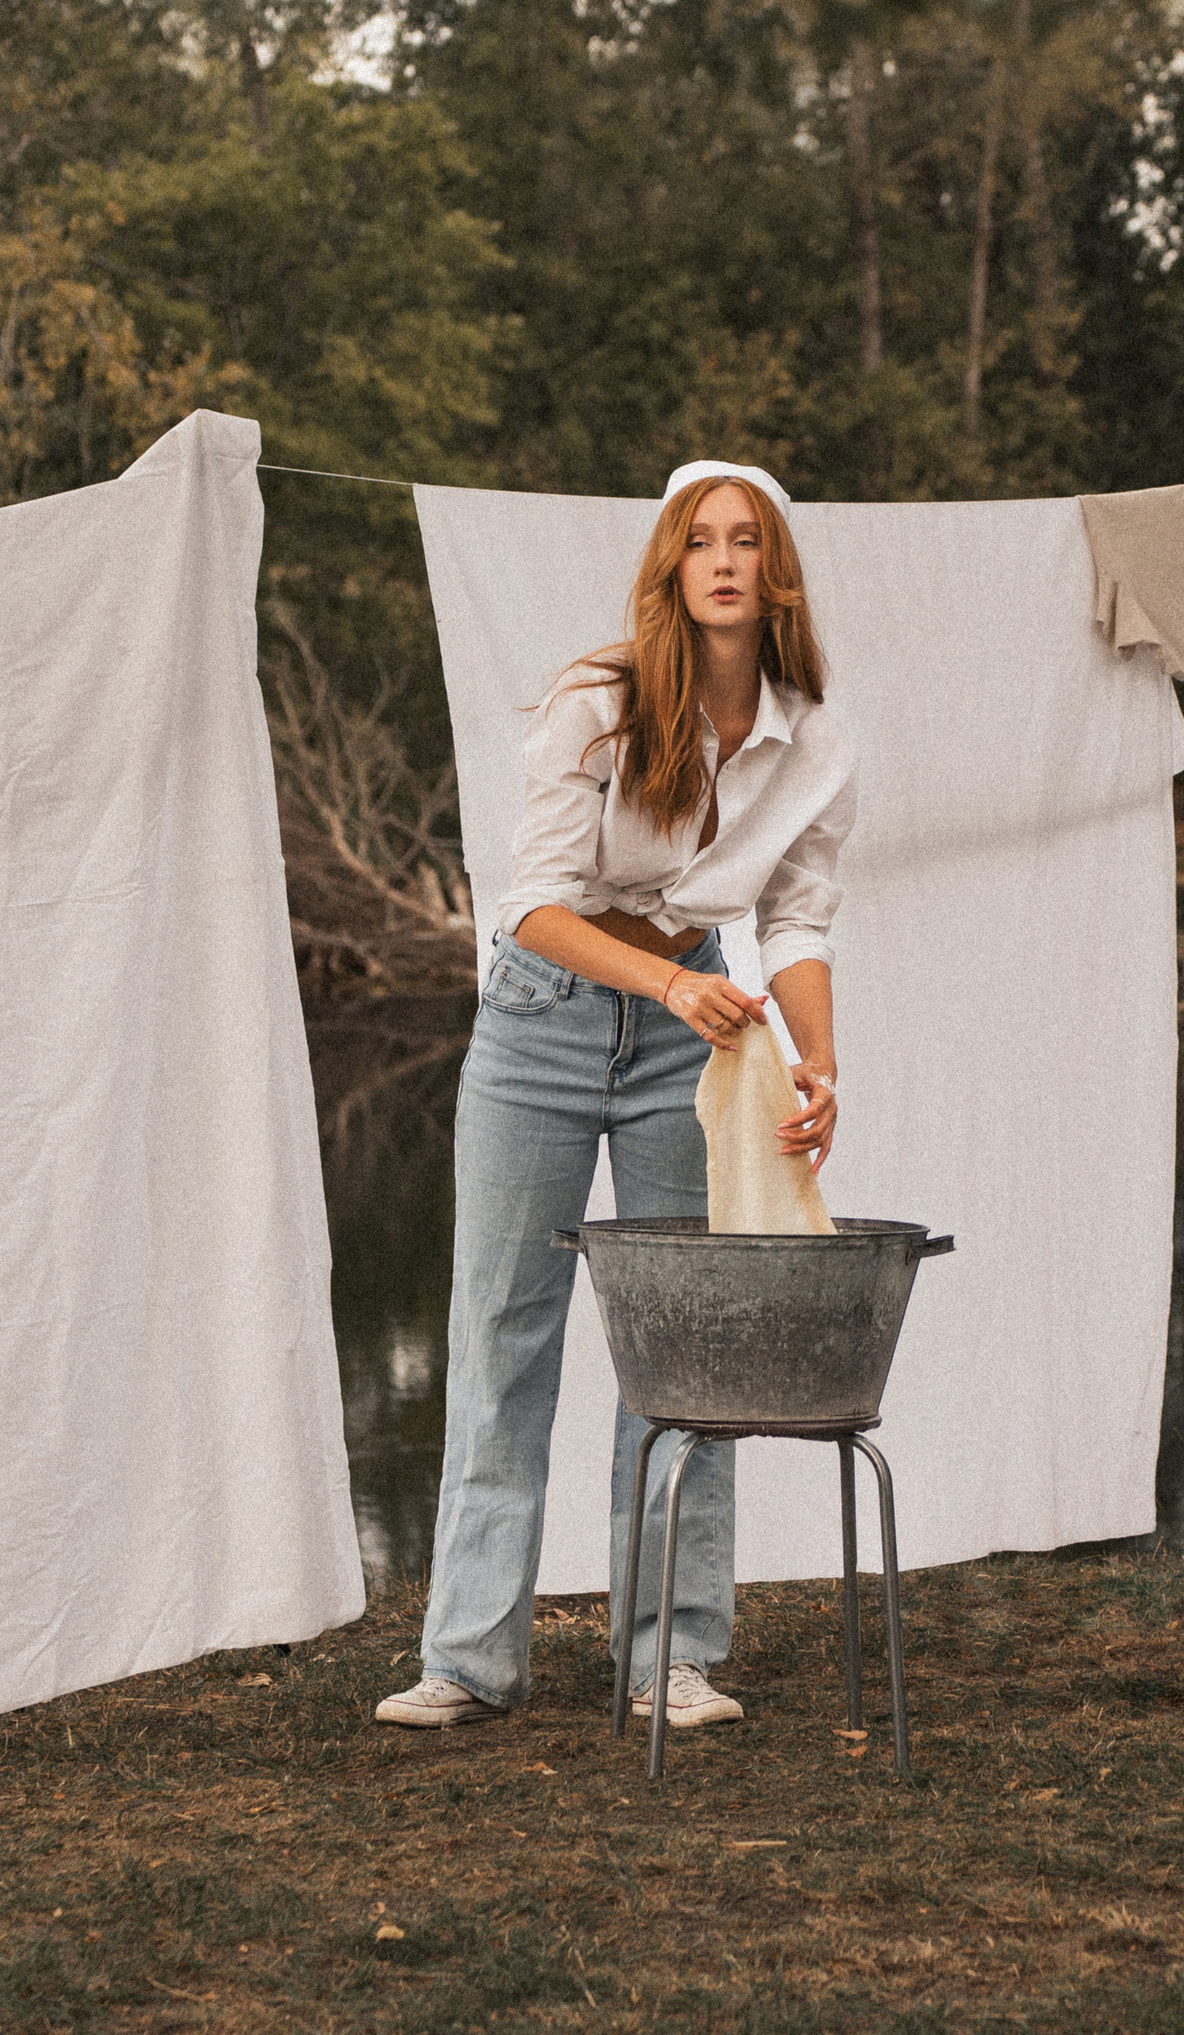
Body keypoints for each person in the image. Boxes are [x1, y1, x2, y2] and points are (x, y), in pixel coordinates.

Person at [376, 459, 853, 1736]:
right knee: (500, 1329)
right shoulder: (596, 700)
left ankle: (671, 1658)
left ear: (775, 570)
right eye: (699, 540)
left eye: (746, 540)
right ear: (669, 565)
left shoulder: (812, 737)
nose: (723, 559)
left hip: (685, 1020)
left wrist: (816, 1060)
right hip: (544, 1010)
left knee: (678, 1340)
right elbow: (530, 899)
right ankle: (470, 1661)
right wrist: (659, 982)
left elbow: (797, 919)